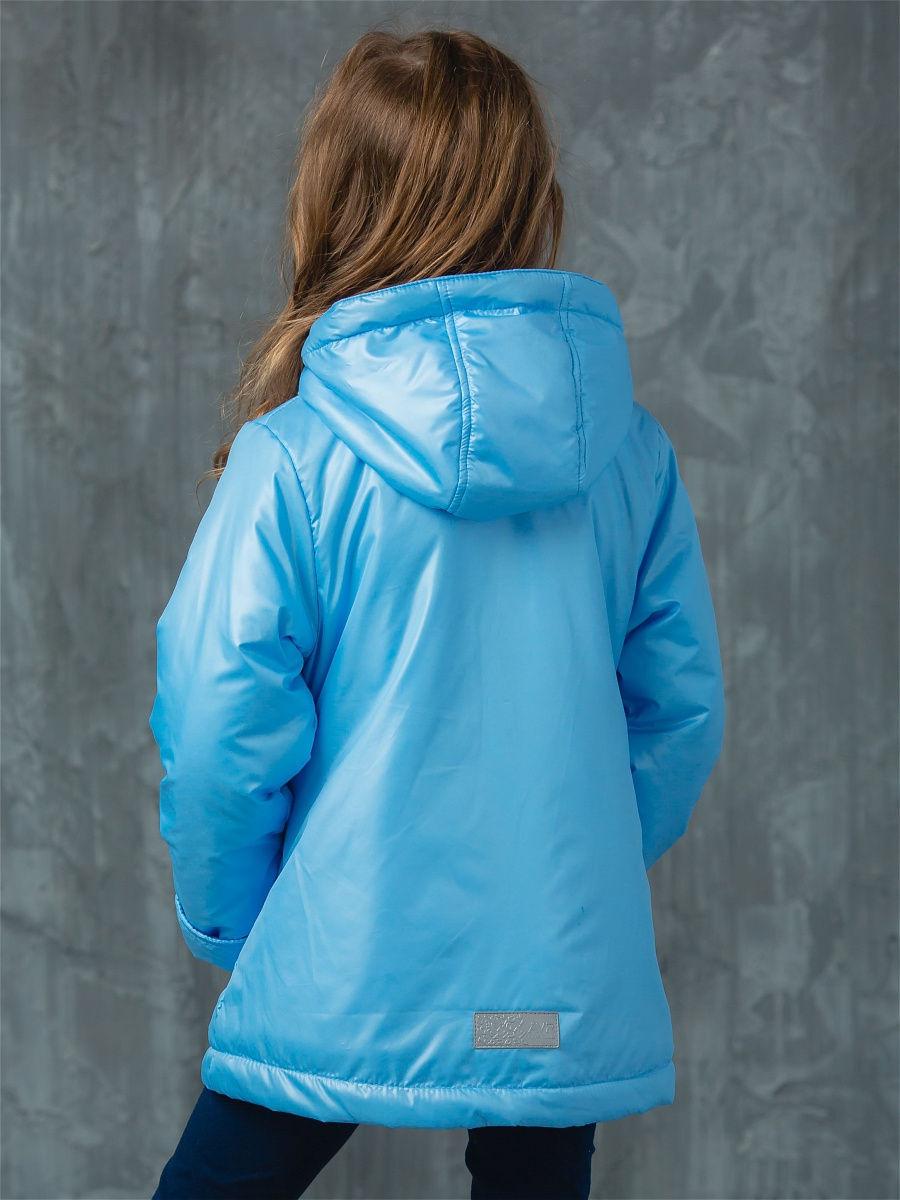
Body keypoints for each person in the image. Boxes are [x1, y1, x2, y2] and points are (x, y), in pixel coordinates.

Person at [148, 25, 726, 1200]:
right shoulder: (633, 457)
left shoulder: (294, 458)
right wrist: (565, 874)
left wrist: (241, 928)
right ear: (530, 197)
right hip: (545, 991)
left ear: (338, 201)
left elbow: (218, 726)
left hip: (343, 974)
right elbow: (679, 716)